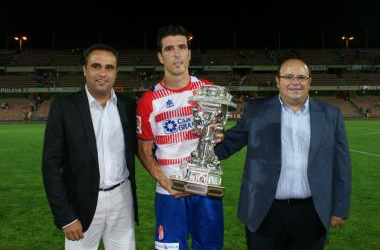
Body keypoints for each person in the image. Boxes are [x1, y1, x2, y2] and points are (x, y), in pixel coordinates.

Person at [215, 58, 352, 250]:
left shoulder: (331, 114)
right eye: (288, 76)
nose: (295, 82)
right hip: (264, 210)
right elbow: (230, 143)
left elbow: (342, 165)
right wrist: (204, 145)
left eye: (301, 77)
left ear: (310, 82)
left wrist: (339, 208)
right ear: (278, 81)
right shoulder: (257, 110)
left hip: (311, 212)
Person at [42, 43, 138, 250]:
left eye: (109, 67)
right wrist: (65, 216)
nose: (103, 73)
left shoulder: (128, 106)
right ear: (85, 70)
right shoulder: (63, 107)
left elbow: (145, 148)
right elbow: (50, 166)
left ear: (116, 72)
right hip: (81, 203)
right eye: (96, 66)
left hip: (122, 199)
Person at [137, 24, 223, 250]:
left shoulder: (208, 91)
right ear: (160, 56)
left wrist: (217, 135)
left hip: (205, 187)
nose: (176, 54)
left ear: (189, 53)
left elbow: (216, 136)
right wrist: (168, 184)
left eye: (182, 47)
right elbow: (144, 151)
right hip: (170, 191)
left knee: (210, 246)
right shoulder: (149, 101)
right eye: (169, 49)